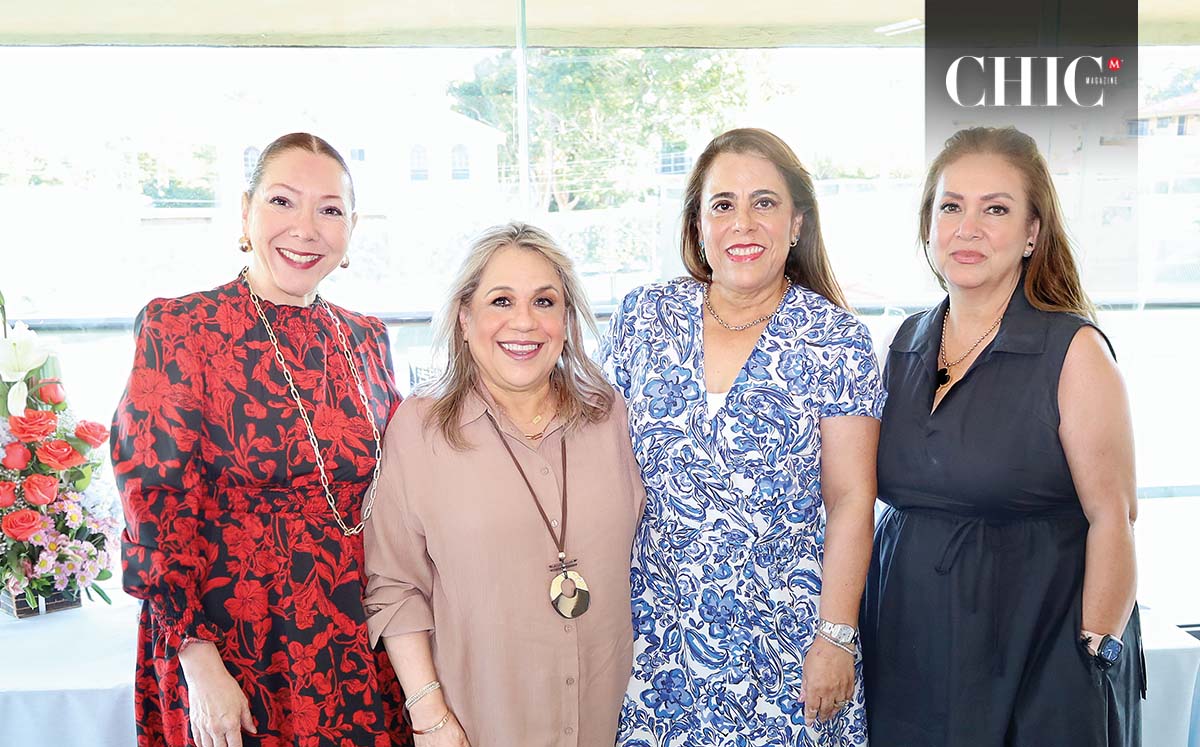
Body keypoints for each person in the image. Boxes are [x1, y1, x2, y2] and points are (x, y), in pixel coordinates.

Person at [113, 132, 411, 747]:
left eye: (329, 210)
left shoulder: (366, 339)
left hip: (355, 648)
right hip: (234, 652)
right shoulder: (182, 328)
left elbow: (402, 493)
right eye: (282, 201)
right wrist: (200, 666)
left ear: (351, 228)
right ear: (245, 211)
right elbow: (154, 512)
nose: (305, 228)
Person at [860, 126, 1145, 746]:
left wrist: (1090, 657)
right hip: (910, 651)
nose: (968, 228)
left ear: (1032, 233)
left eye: (996, 209)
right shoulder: (906, 342)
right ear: (928, 224)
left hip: (1036, 658)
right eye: (951, 207)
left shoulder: (1073, 351)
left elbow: (1115, 518)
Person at [603, 128, 883, 746]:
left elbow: (851, 500)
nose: (743, 223)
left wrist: (836, 637)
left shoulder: (836, 341)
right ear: (697, 225)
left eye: (765, 202)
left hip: (787, 648)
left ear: (798, 224)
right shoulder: (643, 319)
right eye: (722, 204)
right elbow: (593, 462)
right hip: (655, 646)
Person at [363, 222, 644, 746]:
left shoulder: (610, 416)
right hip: (477, 728)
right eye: (500, 301)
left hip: (612, 723)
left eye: (544, 301)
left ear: (567, 320)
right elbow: (395, 587)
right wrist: (431, 720)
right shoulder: (418, 429)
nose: (524, 322)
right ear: (465, 318)